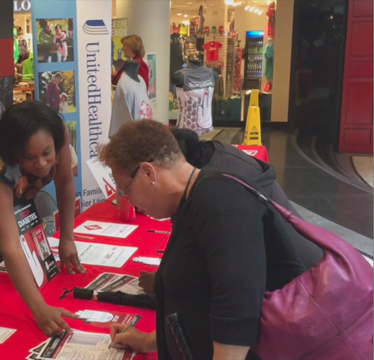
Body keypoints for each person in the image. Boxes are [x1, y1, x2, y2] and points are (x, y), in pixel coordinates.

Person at [101, 120, 307, 360]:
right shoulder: (193, 201)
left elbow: (236, 317)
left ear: (148, 172)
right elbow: (197, 303)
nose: (128, 200)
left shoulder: (221, 201)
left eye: (126, 190)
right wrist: (148, 341)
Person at [138, 128, 323, 294]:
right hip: (305, 265)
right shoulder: (214, 154)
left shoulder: (219, 190)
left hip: (299, 286)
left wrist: (167, 284)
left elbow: (231, 279)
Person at [0, 101, 86, 337]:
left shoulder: (56, 129)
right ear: (15, 154)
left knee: (37, 267)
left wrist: (67, 238)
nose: (41, 165)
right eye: (30, 158)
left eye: (47, 153)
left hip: (23, 195)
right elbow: (9, 245)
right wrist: (39, 310)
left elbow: (65, 182)